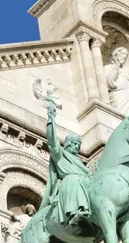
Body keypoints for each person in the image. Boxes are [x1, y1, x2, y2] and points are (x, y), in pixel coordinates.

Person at [34, 81, 90, 227]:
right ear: (68, 144)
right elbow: (52, 143)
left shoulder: (80, 163)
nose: (76, 147)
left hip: (83, 183)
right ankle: (74, 214)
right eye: (74, 143)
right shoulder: (61, 155)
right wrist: (51, 119)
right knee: (73, 180)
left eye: (78, 145)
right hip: (70, 184)